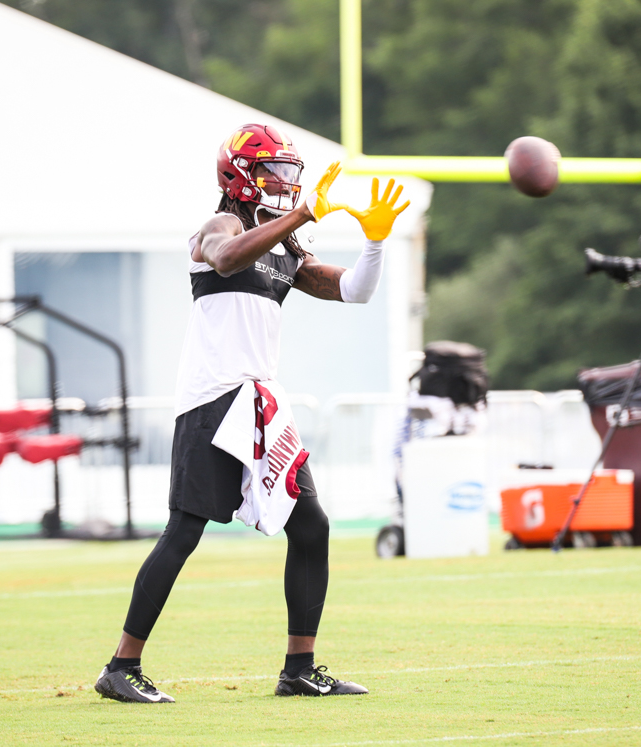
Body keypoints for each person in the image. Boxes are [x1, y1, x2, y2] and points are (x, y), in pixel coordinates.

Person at [93, 123, 410, 703]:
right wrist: (302, 216)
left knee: (312, 526)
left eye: (292, 174)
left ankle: (299, 667)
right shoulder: (223, 226)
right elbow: (225, 256)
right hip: (212, 398)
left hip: (260, 402)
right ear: (240, 176)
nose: (287, 184)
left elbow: (354, 291)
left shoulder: (283, 244)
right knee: (184, 531)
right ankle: (121, 665)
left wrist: (375, 241)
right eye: (276, 172)